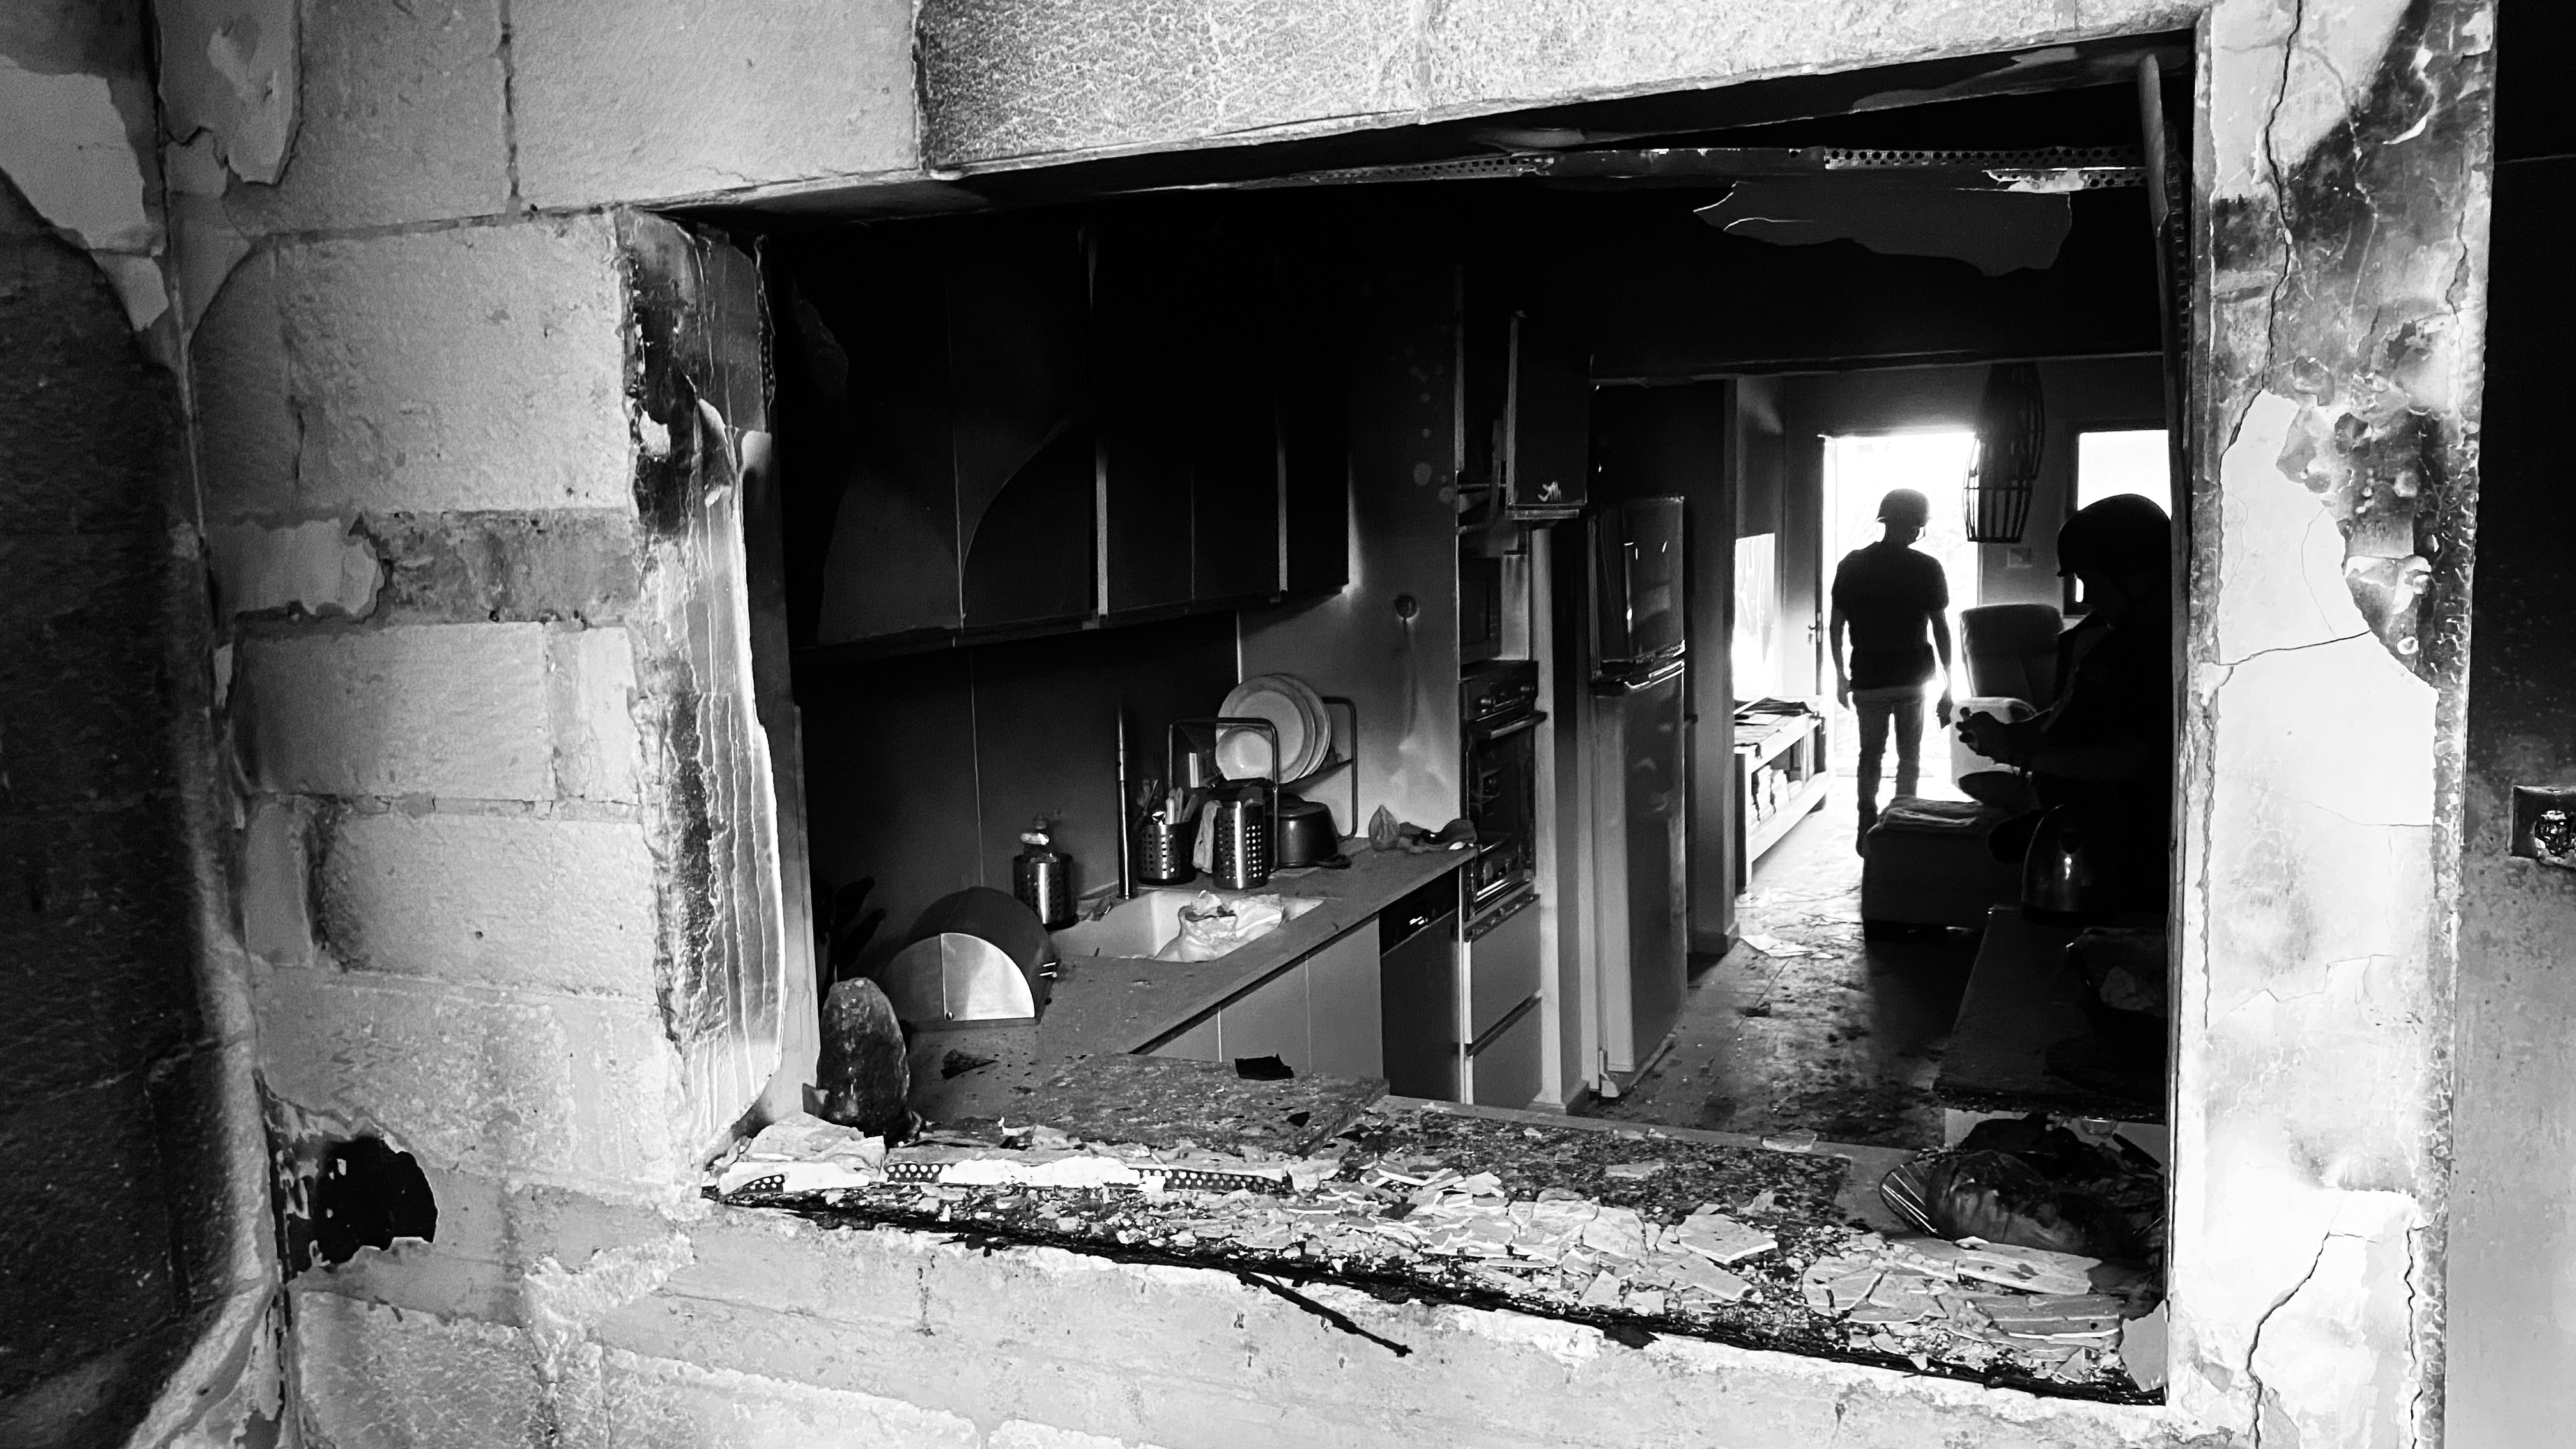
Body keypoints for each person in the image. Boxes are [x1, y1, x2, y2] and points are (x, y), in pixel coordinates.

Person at [1955, 494, 2174, 915]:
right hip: (2078, 819)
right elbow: (2064, 717)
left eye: (2092, 580)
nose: (2088, 596)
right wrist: (2005, 735)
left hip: (2126, 844)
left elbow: (2135, 759)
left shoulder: (2164, 652)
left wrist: (2019, 753)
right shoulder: (2100, 640)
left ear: (2136, 577)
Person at [1829, 487, 1955, 848]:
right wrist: (1949, 684)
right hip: (1911, 679)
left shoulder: (1852, 565)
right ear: (1915, 526)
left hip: (1868, 677)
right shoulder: (1927, 568)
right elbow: (1941, 629)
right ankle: (1901, 824)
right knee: (1909, 757)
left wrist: (1840, 677)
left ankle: (1865, 820)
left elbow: (1836, 626)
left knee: (1870, 753)